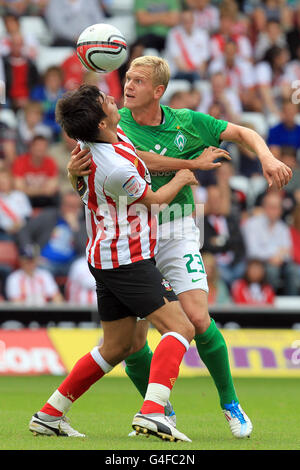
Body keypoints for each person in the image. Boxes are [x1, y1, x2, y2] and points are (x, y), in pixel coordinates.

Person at [69, 56, 291, 439]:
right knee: (133, 342)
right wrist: (195, 164)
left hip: (178, 227)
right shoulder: (111, 124)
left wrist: (267, 156)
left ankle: (230, 404)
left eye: (138, 80)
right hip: (132, 234)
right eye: (128, 78)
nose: (128, 86)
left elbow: (242, 132)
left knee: (199, 320)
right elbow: (140, 161)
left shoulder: (187, 121)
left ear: (158, 91)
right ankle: (161, 409)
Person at [29, 84, 196, 442]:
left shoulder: (94, 142)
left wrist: (72, 175)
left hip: (106, 255)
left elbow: (82, 176)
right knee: (181, 328)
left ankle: (49, 414)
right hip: (128, 259)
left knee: (117, 347)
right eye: (106, 101)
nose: (113, 99)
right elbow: (153, 201)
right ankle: (153, 413)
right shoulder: (115, 168)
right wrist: (183, 176)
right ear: (103, 122)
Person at [17, 191, 86, 278]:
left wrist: (75, 228)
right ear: (61, 205)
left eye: (74, 207)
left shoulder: (83, 225)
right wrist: (32, 253)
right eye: (67, 205)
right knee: (43, 270)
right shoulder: (48, 216)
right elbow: (25, 231)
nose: (70, 209)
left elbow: (84, 251)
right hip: (45, 262)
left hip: (69, 265)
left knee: (84, 270)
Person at [242, 192, 299, 295]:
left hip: (280, 263)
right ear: (264, 207)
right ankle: (270, 305)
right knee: (272, 271)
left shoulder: (283, 228)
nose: (274, 211)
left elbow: (288, 253)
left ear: (281, 210)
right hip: (257, 263)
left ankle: (291, 305)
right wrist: (274, 255)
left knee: (294, 270)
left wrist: (278, 257)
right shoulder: (252, 224)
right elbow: (252, 251)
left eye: (277, 208)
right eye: (271, 207)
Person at [12, 134, 59, 209]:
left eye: (44, 146)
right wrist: (42, 190)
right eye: (38, 146)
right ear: (31, 147)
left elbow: (51, 189)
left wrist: (28, 189)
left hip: (45, 200)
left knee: (57, 197)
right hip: (26, 199)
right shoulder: (20, 162)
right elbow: (19, 188)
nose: (41, 148)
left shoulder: (50, 162)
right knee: (18, 197)